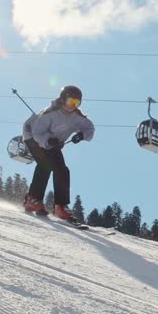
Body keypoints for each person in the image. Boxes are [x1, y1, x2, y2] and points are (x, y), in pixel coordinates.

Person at [22, 85, 94, 220]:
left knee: (61, 170)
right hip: (32, 136)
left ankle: (56, 205)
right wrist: (48, 141)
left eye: (76, 103)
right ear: (62, 100)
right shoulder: (50, 113)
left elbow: (89, 128)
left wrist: (82, 135)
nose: (73, 105)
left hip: (53, 143)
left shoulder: (77, 117)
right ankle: (35, 201)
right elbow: (37, 132)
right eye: (70, 101)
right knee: (46, 165)